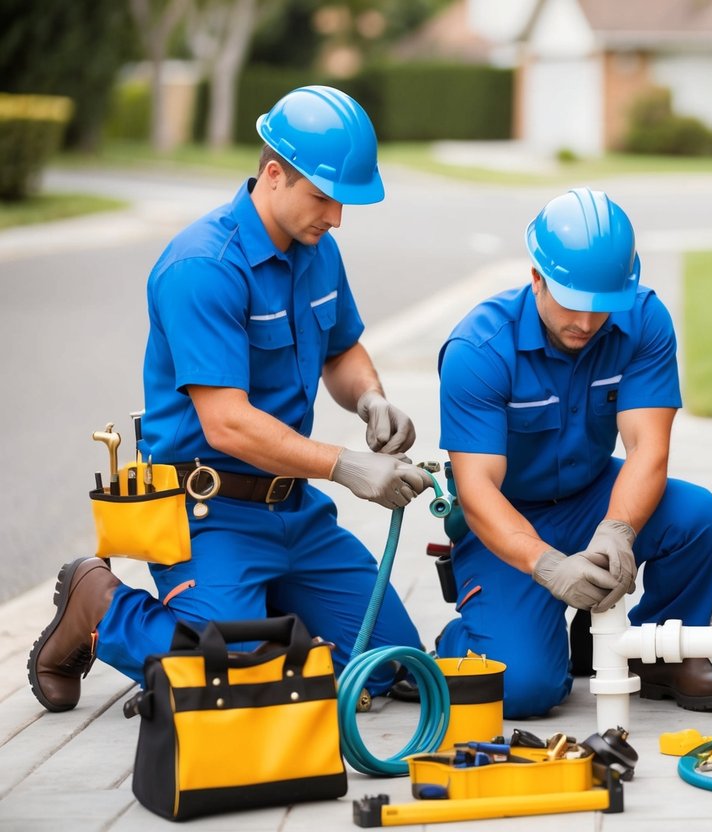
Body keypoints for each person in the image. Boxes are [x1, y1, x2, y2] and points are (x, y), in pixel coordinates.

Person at [28, 85, 429, 712]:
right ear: (274, 175)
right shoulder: (203, 266)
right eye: (324, 198)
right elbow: (228, 425)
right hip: (210, 514)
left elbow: (342, 349)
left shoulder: (317, 250)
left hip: (293, 507)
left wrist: (372, 399)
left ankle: (237, 630)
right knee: (237, 683)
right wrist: (348, 466)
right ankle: (98, 601)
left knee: (388, 667)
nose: (338, 218)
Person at [435, 187, 712, 718]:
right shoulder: (479, 350)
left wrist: (619, 528)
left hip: (593, 495)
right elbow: (477, 488)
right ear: (537, 279)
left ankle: (657, 655)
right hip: (507, 518)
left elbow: (648, 447)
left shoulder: (644, 320)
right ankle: (463, 640)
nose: (585, 323)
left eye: (601, 308)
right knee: (526, 689)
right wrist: (546, 565)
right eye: (572, 304)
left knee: (704, 520)